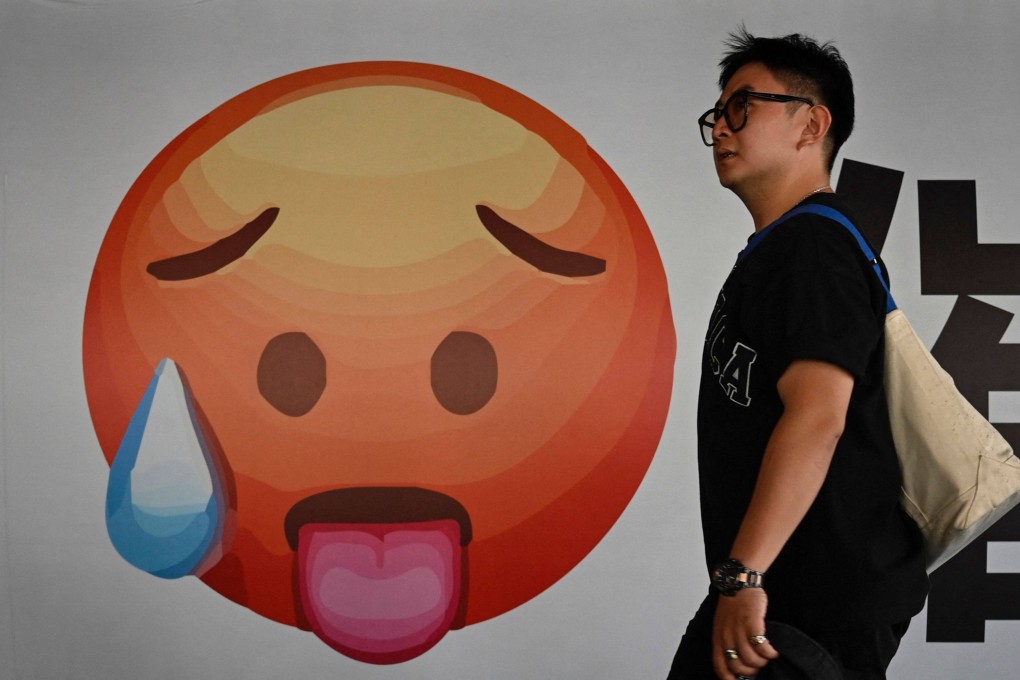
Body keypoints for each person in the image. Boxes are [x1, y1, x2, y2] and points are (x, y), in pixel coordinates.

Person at [667, 29, 929, 680]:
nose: (721, 130)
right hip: (776, 600)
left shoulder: (814, 246)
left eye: (740, 107)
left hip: (799, 610)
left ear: (810, 124)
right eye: (716, 115)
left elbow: (818, 415)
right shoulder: (787, 247)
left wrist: (742, 574)